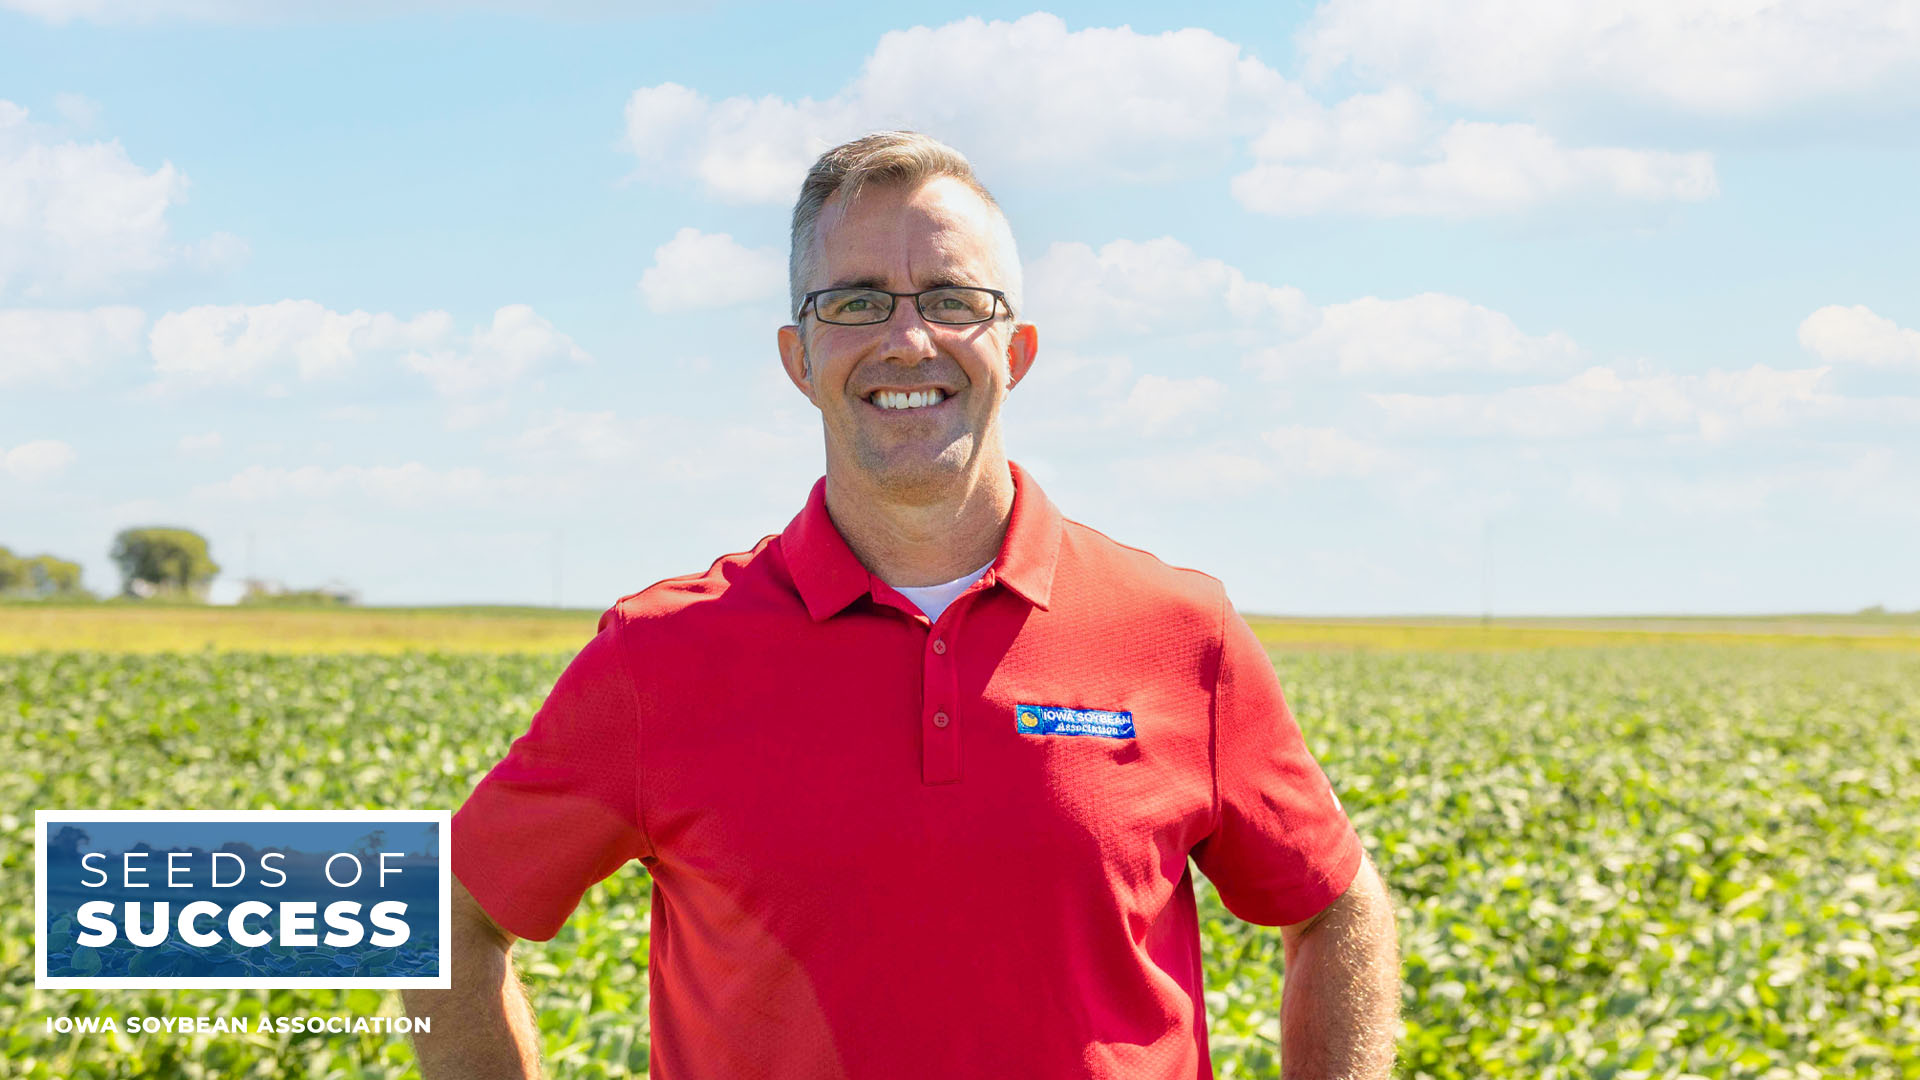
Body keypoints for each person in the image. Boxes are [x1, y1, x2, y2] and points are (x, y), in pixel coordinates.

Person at [405, 131, 1400, 1079]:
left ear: (1017, 350)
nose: (910, 338)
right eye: (856, 302)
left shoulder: (1180, 631)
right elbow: (448, 913)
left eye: (954, 298)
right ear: (798, 358)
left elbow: (1337, 906)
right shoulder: (662, 657)